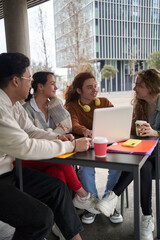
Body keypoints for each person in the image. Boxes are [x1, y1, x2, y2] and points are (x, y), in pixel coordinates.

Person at [0, 52, 92, 240]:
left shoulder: (13, 104)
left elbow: (31, 131)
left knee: (57, 187)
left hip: (9, 172)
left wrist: (59, 140)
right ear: (16, 81)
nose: (30, 84)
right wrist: (71, 146)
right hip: (4, 176)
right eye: (28, 78)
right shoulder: (2, 108)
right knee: (41, 219)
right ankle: (83, 197)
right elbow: (25, 146)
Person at [22, 71, 99, 217]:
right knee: (61, 153)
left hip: (52, 159)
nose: (56, 88)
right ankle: (82, 195)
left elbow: (67, 126)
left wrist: (56, 104)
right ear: (40, 86)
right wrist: (57, 132)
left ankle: (62, 220)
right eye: (52, 84)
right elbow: (35, 138)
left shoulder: (54, 106)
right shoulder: (26, 110)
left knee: (58, 175)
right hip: (35, 157)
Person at [95, 68, 160, 240]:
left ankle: (112, 196)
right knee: (142, 164)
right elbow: (131, 132)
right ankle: (147, 218)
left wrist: (156, 133)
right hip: (146, 157)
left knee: (142, 160)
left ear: (151, 86)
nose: (134, 88)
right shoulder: (139, 105)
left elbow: (153, 136)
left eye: (139, 85)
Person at [64, 71, 122, 225]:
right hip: (86, 145)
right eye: (89, 87)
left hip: (106, 143)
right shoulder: (72, 106)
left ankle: (107, 203)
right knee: (85, 170)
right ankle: (92, 207)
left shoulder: (104, 102)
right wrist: (84, 130)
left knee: (118, 166)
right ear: (79, 90)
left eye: (95, 86)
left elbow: (116, 117)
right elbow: (73, 124)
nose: (94, 90)